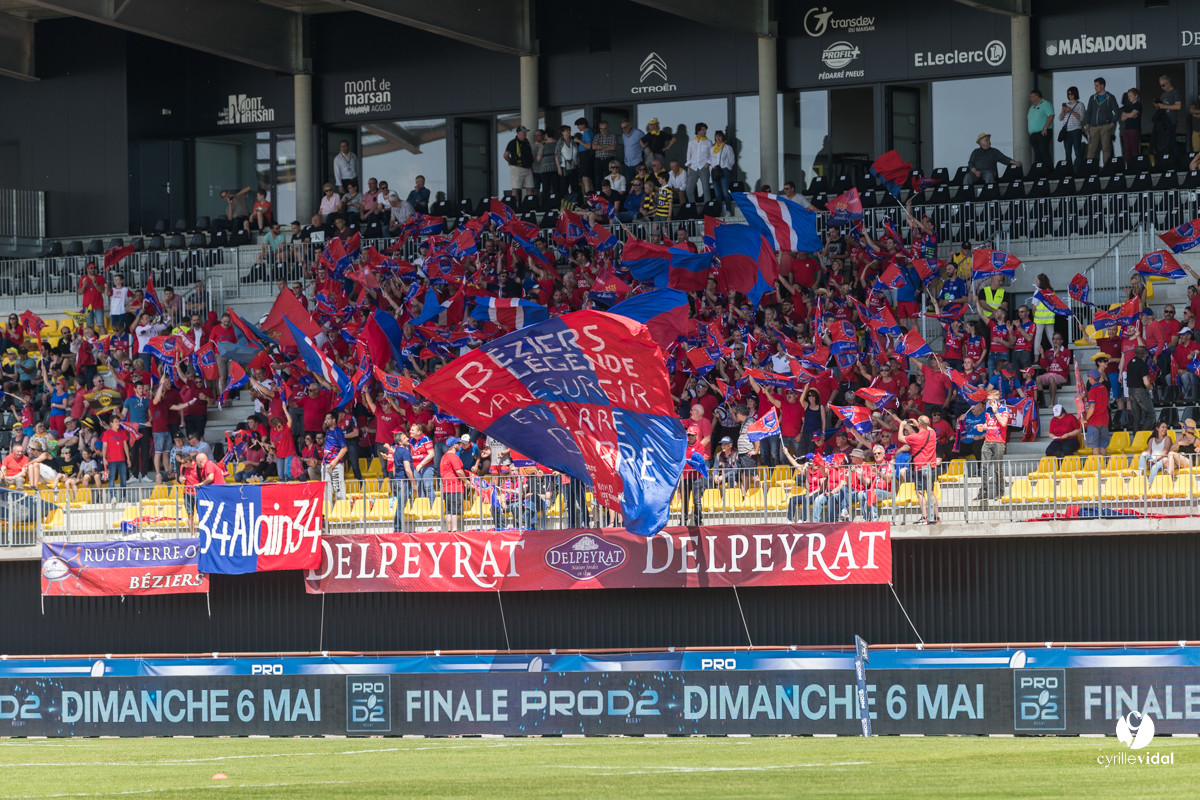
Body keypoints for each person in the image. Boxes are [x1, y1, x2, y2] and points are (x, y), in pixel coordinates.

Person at [894, 413, 938, 524]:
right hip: (931, 467)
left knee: (920, 493)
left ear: (919, 424)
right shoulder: (932, 433)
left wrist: (902, 425)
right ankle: (936, 517)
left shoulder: (915, 437)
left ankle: (925, 517)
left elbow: (900, 438)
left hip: (919, 468)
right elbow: (928, 427)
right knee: (931, 493)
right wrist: (918, 424)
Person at [1085, 77, 1120, 162]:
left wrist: (1112, 123)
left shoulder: (1110, 97)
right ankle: (1089, 169)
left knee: (1106, 149)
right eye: (1095, 85)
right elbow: (1088, 112)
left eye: (1097, 85)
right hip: (1093, 127)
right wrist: (1087, 125)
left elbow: (1117, 111)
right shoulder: (1092, 98)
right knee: (1091, 150)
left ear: (1102, 86)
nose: (1095, 87)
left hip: (1105, 126)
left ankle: (1106, 170)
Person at [1125, 345, 1155, 432]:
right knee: (1151, 414)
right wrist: (1150, 387)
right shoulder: (1142, 364)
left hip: (1131, 391)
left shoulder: (1130, 362)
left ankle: (1136, 439)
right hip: (1140, 391)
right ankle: (1142, 436)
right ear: (1145, 355)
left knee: (1136, 417)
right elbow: (1146, 382)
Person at [439, 436, 466, 532]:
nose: (460, 445)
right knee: (455, 509)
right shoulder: (453, 456)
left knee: (448, 509)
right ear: (454, 445)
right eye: (458, 443)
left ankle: (449, 529)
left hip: (446, 486)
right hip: (455, 486)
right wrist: (466, 481)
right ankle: (454, 529)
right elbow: (458, 471)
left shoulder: (443, 457)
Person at [1152, 75, 1182, 161]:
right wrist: (1157, 106)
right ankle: (1165, 161)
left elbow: (1178, 106)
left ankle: (1176, 162)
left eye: (1163, 85)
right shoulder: (1163, 95)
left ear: (1168, 83)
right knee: (1163, 143)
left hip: (1171, 122)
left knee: (1171, 142)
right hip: (1163, 123)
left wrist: (1164, 106)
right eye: (1160, 85)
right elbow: (1162, 107)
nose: (1162, 87)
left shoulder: (1175, 93)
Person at [1083, 369, 1112, 456]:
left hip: (1094, 421)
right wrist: (1086, 395)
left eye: (1089, 376)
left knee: (1095, 446)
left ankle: (1098, 467)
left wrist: (1085, 419)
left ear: (1091, 378)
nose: (1088, 378)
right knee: (1103, 446)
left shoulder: (1092, 390)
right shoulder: (1104, 388)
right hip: (1104, 420)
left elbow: (1092, 408)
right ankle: (1104, 467)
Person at [321, 411, 347, 503]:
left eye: (328, 419)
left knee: (338, 488)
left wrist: (335, 461)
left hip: (335, 464)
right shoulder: (327, 431)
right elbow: (323, 427)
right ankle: (328, 513)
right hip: (326, 463)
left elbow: (344, 449)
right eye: (325, 419)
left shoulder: (338, 432)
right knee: (326, 490)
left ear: (333, 420)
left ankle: (341, 513)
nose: (326, 421)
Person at [503, 125, 534, 201]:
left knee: (529, 187)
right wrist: (511, 161)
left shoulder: (527, 142)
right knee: (516, 188)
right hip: (517, 168)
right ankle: (515, 206)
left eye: (525, 132)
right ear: (518, 133)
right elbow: (505, 155)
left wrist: (531, 167)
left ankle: (529, 205)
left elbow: (530, 156)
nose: (525, 134)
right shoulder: (513, 143)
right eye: (523, 132)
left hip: (527, 168)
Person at [684, 122, 712, 203]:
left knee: (706, 189)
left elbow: (711, 154)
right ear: (698, 131)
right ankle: (693, 207)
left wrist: (708, 163)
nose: (705, 131)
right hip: (693, 168)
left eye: (705, 129)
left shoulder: (708, 142)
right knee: (689, 189)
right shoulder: (691, 141)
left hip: (704, 167)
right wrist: (688, 163)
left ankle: (707, 208)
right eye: (703, 129)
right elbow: (689, 153)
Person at [99, 416, 130, 489]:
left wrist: (128, 458)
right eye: (116, 421)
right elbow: (104, 447)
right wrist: (104, 458)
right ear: (111, 423)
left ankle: (123, 497)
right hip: (111, 460)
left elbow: (125, 446)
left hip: (122, 459)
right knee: (111, 479)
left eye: (118, 421)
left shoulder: (122, 432)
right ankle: (113, 497)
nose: (118, 423)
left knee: (123, 479)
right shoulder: (107, 433)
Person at [1059, 86, 1086, 168]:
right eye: (1068, 94)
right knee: (1067, 152)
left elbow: (1081, 118)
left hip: (1076, 130)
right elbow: (1060, 118)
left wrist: (1071, 111)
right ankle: (1069, 170)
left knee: (1077, 151)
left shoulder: (1080, 104)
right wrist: (1064, 111)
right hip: (1067, 131)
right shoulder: (1066, 105)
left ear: (1075, 94)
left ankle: (1079, 170)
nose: (1070, 95)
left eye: (1071, 94)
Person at [709, 130, 735, 215]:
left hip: (724, 170)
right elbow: (710, 159)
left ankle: (728, 210)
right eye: (717, 136)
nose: (718, 138)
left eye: (720, 136)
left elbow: (731, 160)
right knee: (717, 193)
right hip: (715, 171)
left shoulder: (727, 147)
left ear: (723, 137)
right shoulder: (712, 148)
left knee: (725, 191)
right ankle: (718, 211)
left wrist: (727, 168)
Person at [1028, 89, 1054, 166]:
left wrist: (1045, 128)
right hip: (1033, 134)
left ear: (1037, 96)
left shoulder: (1046, 104)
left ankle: (1049, 170)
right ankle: (1040, 170)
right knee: (1037, 153)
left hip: (1043, 132)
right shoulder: (1032, 107)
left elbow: (1051, 115)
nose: (1030, 99)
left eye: (1031, 97)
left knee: (1044, 151)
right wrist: (1030, 132)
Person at [77, 263, 105, 331]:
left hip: (98, 305)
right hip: (87, 306)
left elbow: (102, 290)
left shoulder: (100, 278)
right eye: (91, 268)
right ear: (87, 269)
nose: (93, 269)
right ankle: (91, 341)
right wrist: (84, 285)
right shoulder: (83, 278)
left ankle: (105, 341)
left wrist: (95, 283)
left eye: (94, 268)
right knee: (89, 326)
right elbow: (80, 292)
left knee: (101, 325)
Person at [532, 129, 557, 206]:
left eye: (538, 135)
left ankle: (544, 205)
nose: (536, 137)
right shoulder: (557, 143)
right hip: (555, 167)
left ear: (545, 135)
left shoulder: (543, 145)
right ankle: (554, 203)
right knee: (554, 187)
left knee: (545, 188)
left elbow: (538, 158)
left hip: (544, 169)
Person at [1120, 88, 1142, 168]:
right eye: (1128, 96)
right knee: (1127, 150)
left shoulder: (1138, 105)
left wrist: (1128, 114)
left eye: (1130, 96)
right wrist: (1129, 114)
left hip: (1134, 129)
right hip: (1126, 129)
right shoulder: (1128, 106)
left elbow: (1132, 115)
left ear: (1136, 96)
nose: (1129, 97)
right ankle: (1129, 167)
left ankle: (1136, 166)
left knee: (1134, 149)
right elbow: (1122, 118)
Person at [619, 118, 644, 182]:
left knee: (639, 183)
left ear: (630, 125)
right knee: (629, 183)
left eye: (625, 127)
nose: (624, 129)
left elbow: (646, 145)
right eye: (622, 128)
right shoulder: (623, 135)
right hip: (627, 163)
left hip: (637, 163)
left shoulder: (638, 133)